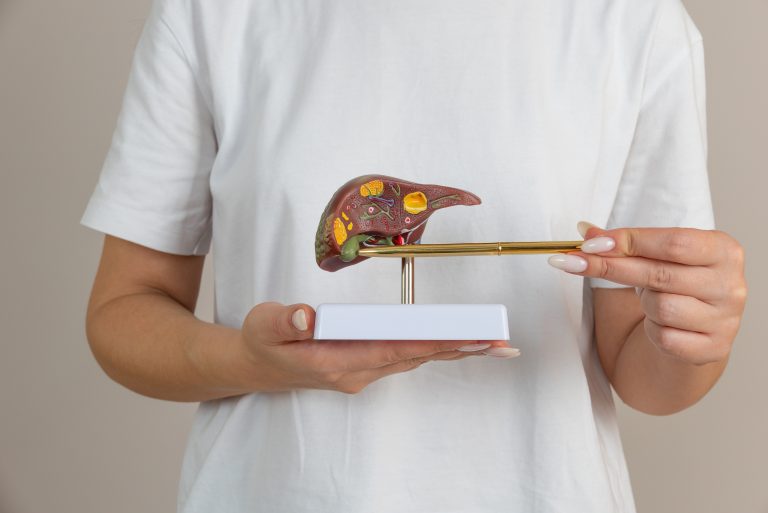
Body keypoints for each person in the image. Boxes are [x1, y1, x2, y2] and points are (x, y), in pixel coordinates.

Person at [80, 0, 746, 511]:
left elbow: (646, 370)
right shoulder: (217, 15)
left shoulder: (634, 22)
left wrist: (693, 335)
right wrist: (250, 360)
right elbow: (123, 311)